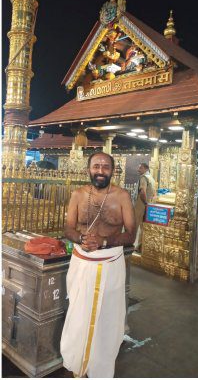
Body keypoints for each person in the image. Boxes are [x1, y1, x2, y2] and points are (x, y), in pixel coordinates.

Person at [60, 152, 136, 377]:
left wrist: (104, 241)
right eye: (96, 166)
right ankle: (77, 364)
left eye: (105, 167)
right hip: (82, 262)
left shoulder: (122, 196)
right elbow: (68, 228)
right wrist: (81, 239)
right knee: (78, 314)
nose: (100, 171)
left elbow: (131, 234)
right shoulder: (78, 195)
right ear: (88, 170)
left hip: (110, 263)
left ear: (112, 171)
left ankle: (100, 368)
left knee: (107, 318)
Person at [133, 162, 157, 252]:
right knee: (144, 226)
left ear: (145, 168)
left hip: (141, 204)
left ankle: (130, 244)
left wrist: (145, 202)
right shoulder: (152, 178)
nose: (138, 170)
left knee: (135, 225)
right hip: (149, 205)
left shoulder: (144, 177)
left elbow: (142, 192)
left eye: (140, 168)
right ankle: (140, 246)